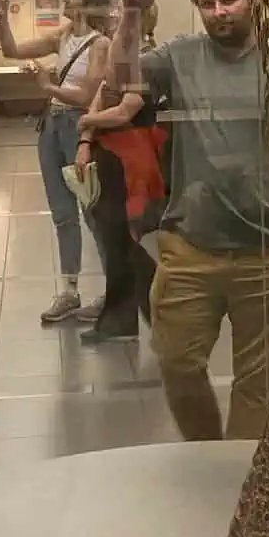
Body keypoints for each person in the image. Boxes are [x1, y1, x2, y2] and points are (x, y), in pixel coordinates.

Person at [109, 0, 269, 440]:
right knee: (176, 362)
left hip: (268, 249)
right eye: (208, 4)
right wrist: (130, 16)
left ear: (253, 0)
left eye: (229, 0)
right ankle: (206, 451)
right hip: (192, 247)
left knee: (261, 381)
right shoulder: (180, 56)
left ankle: (240, 473)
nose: (219, 12)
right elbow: (120, 81)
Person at [0, 0, 113, 324]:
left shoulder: (100, 43)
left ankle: (112, 288)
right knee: (62, 213)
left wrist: (49, 87)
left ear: (88, 3)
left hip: (77, 126)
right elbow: (13, 50)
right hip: (51, 126)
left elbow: (89, 95)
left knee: (92, 210)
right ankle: (70, 289)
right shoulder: (62, 37)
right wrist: (2, 19)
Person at [74, 74, 166, 345]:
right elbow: (98, 102)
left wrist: (88, 122)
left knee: (131, 243)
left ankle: (157, 317)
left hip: (131, 163)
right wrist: (85, 141)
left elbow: (126, 111)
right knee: (116, 242)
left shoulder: (141, 63)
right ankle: (126, 319)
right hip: (111, 161)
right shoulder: (117, 66)